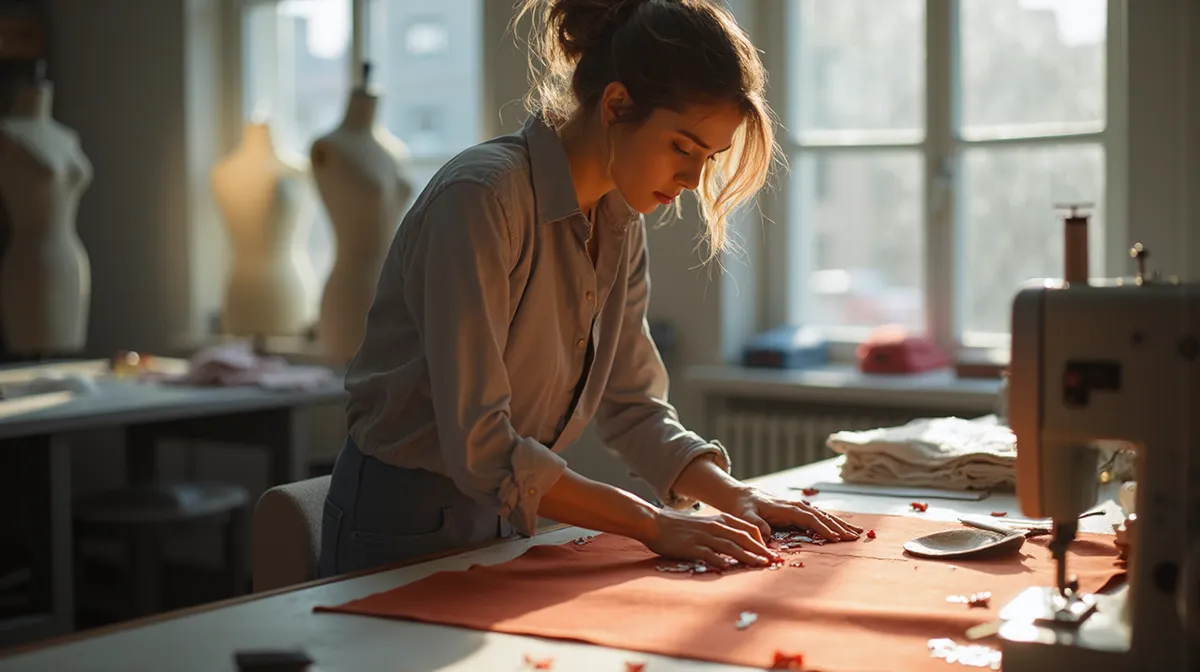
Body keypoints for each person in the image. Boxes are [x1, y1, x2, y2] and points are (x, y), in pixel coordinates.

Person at [317, 0, 861, 579]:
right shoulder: (480, 199)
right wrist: (653, 523)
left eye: (708, 157)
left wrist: (736, 496)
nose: (693, 179)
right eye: (682, 146)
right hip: (398, 528)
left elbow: (631, 407)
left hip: (505, 521)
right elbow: (480, 444)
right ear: (616, 103)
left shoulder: (620, 220)